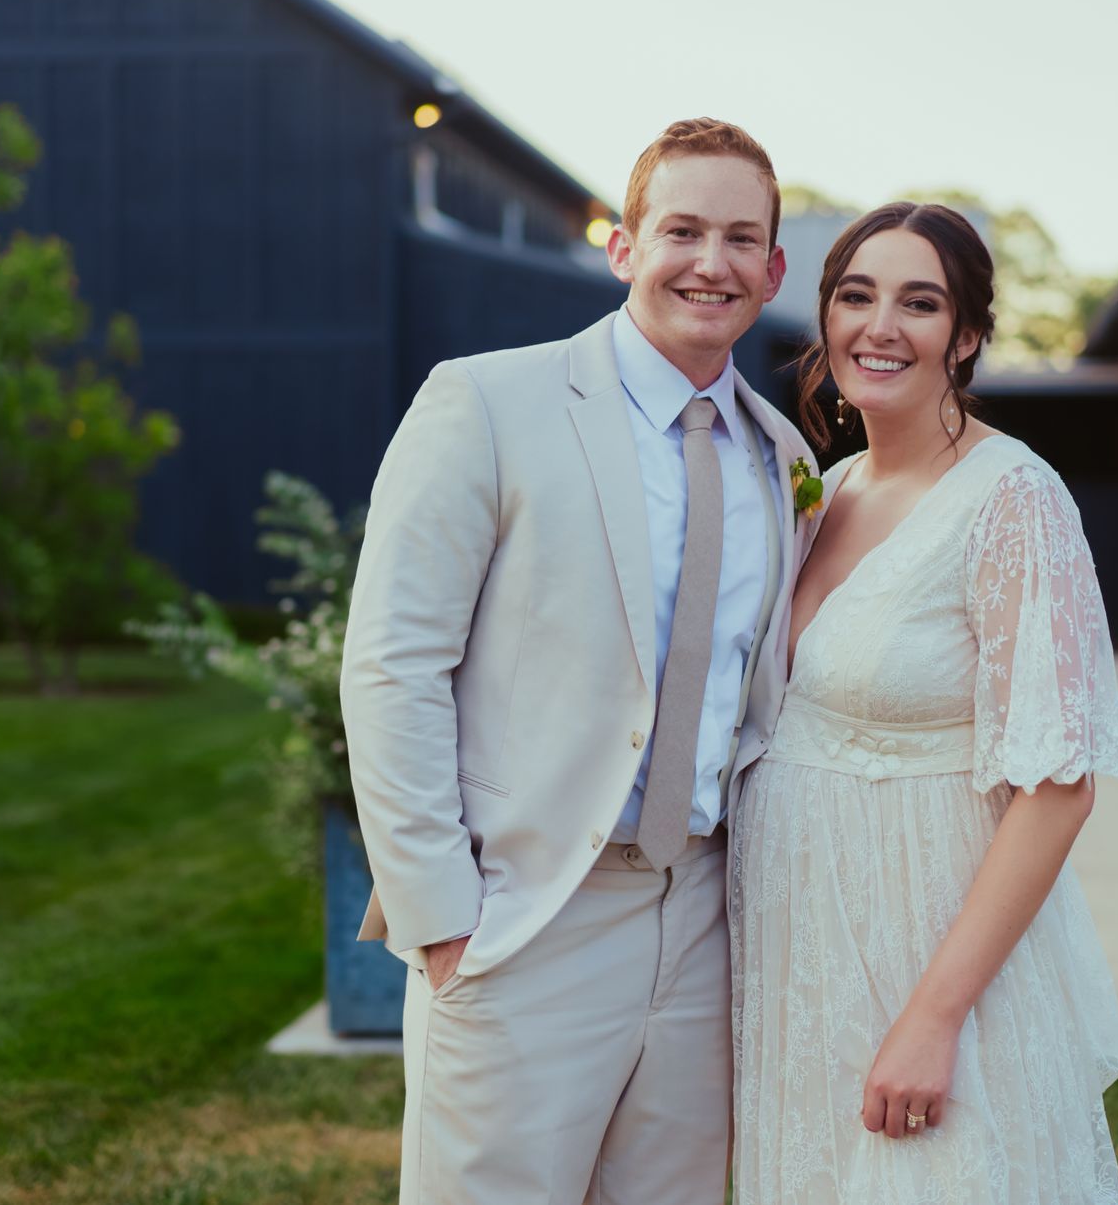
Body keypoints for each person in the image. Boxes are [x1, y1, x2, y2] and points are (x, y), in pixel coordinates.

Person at [340, 117, 817, 1205]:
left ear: (774, 269)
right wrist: (445, 917)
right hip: (526, 915)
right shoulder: (487, 403)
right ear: (623, 247)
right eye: (683, 229)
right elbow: (392, 664)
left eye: (742, 238)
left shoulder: (784, 458)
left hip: (701, 918)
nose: (713, 262)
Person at [730, 202, 1118, 1202]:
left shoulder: (1014, 501)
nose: (881, 326)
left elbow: (1057, 790)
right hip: (803, 952)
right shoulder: (827, 487)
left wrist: (933, 1016)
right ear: (823, 318)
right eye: (856, 296)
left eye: (920, 303)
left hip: (928, 946)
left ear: (964, 337)